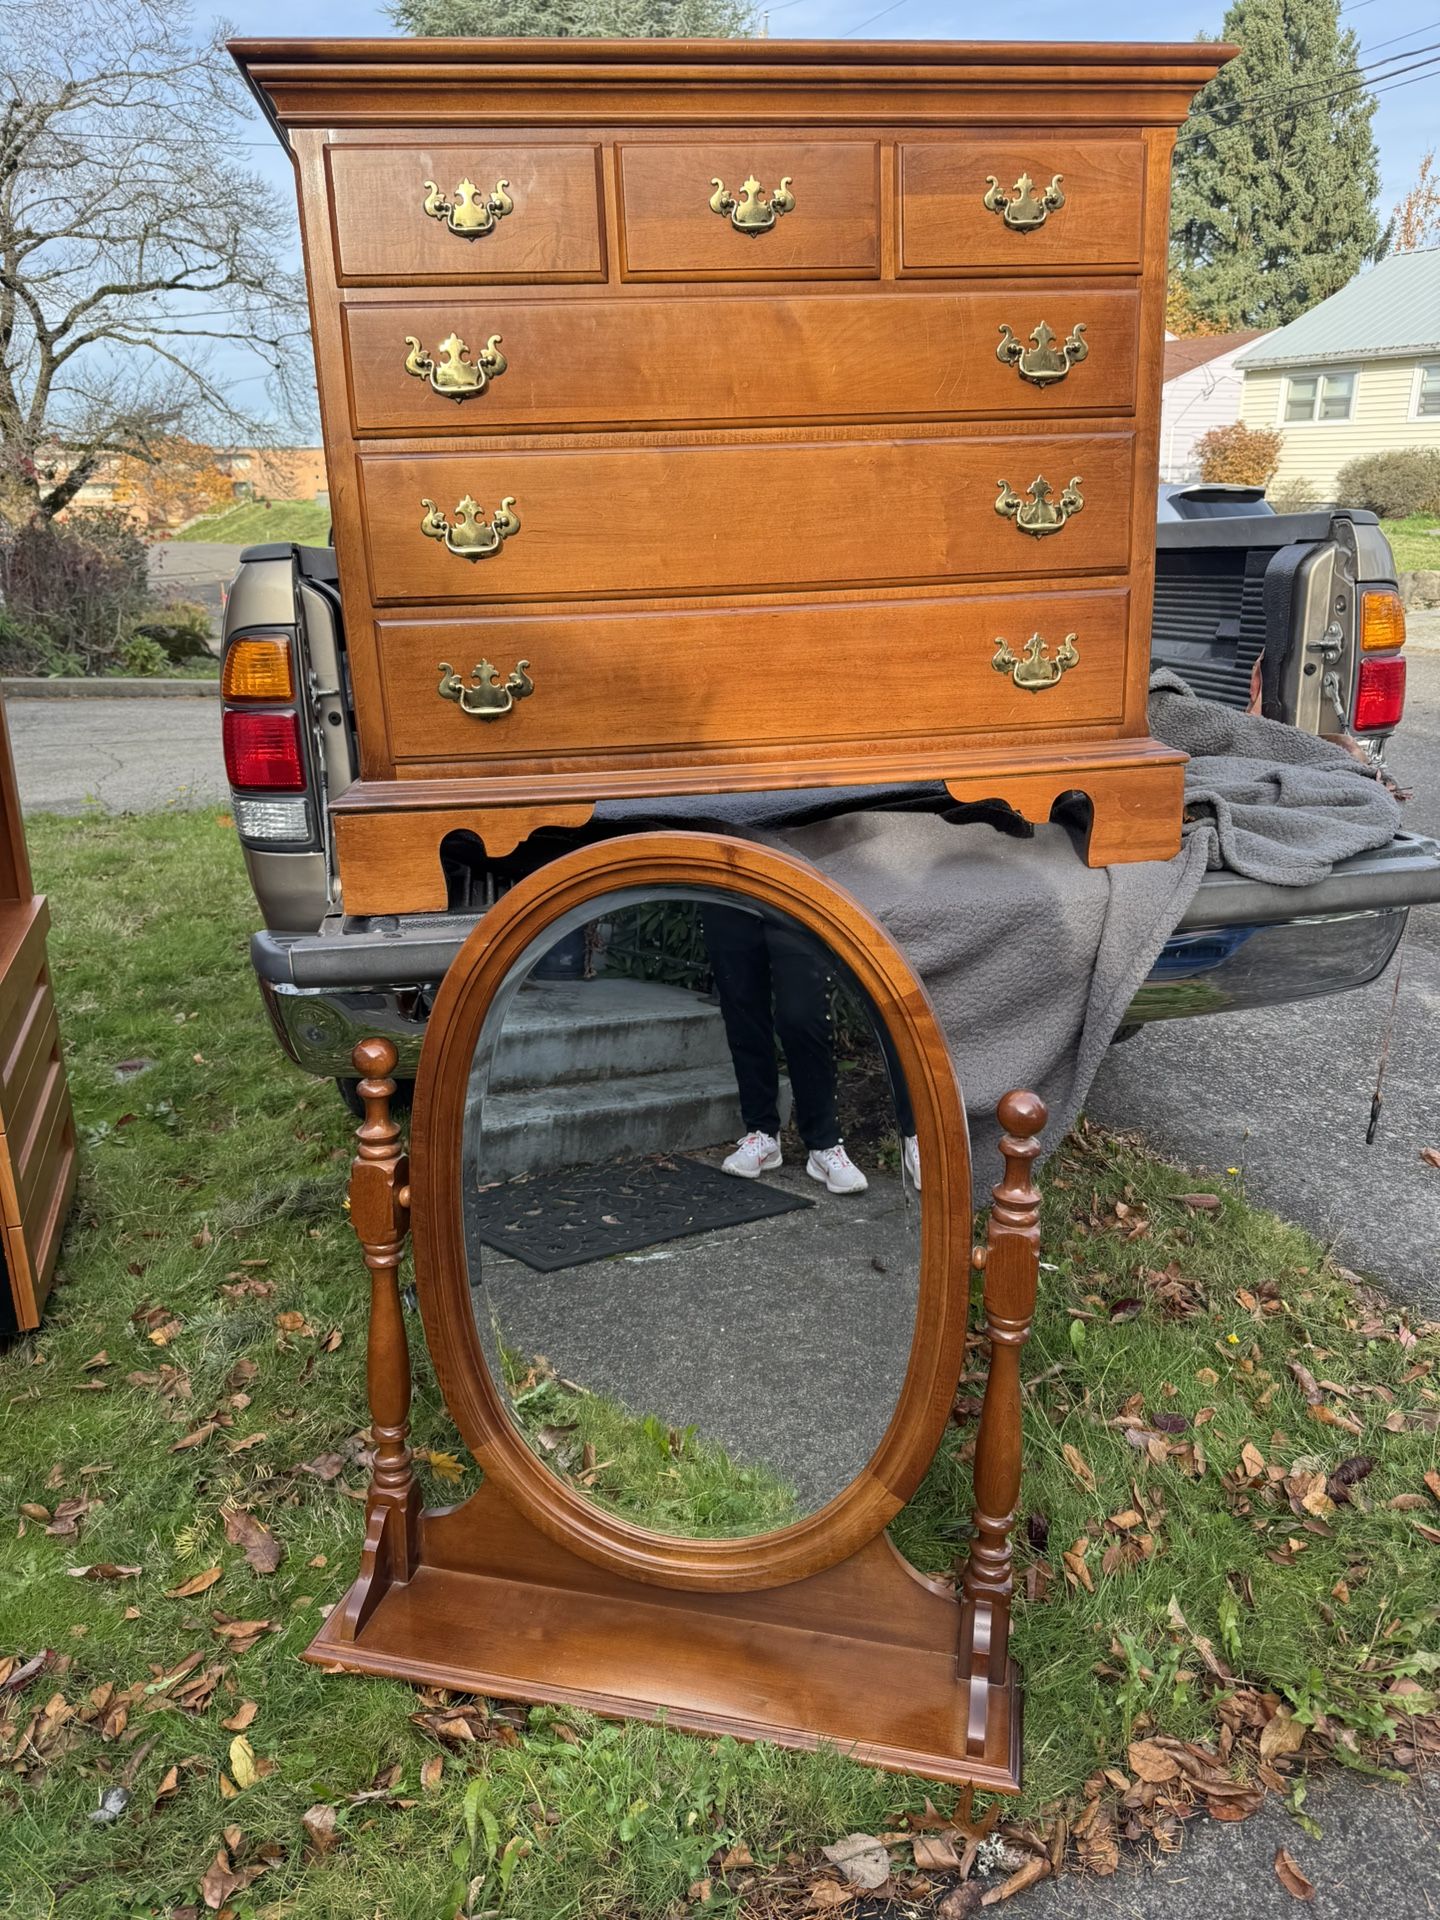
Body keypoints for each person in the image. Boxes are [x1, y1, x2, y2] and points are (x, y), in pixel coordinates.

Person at [701, 905, 920, 1194]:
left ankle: (824, 1144)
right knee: (742, 1010)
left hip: (793, 893)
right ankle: (761, 1132)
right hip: (729, 892)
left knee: (802, 1014)